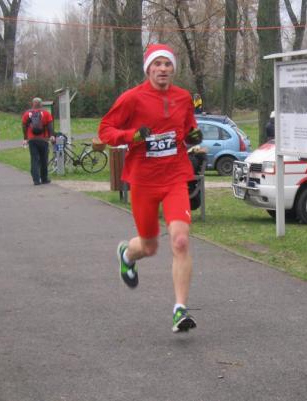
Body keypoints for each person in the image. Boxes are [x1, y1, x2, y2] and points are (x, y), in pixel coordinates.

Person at [98, 44, 203, 333]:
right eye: (157, 64)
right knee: (149, 246)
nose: (163, 69)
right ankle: (127, 255)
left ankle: (180, 310)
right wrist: (132, 135)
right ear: (148, 69)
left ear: (173, 69)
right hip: (144, 181)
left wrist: (193, 136)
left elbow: (187, 129)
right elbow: (105, 130)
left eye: (167, 64)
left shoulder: (183, 97)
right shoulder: (132, 98)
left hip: (174, 178)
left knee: (180, 241)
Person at [22, 97, 55, 185]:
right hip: (43, 139)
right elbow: (50, 126)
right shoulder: (46, 113)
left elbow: (24, 126)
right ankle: (44, 179)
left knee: (34, 159)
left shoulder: (27, 113)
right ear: (41, 104)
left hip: (32, 140)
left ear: (33, 104)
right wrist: (51, 135)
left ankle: (36, 180)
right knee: (44, 159)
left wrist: (25, 138)